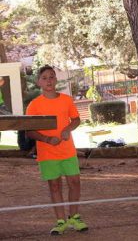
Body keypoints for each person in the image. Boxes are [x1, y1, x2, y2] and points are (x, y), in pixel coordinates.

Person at [25, 65, 88, 235]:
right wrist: (46, 139)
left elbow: (76, 119)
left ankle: (74, 217)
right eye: (44, 78)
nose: (49, 80)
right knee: (54, 185)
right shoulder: (34, 105)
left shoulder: (66, 100)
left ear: (56, 79)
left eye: (51, 77)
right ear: (39, 82)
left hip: (67, 151)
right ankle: (61, 221)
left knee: (74, 182)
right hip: (47, 153)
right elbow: (29, 130)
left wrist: (68, 128)